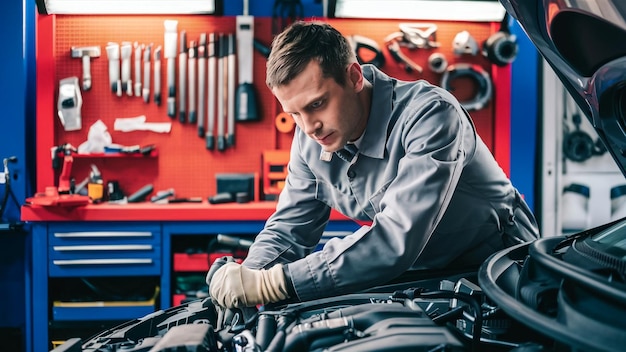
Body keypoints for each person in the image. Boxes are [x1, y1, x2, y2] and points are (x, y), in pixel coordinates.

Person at [208, 20, 539, 309]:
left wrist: (273, 283)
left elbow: (396, 237)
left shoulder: (431, 116)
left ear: (353, 76)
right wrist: (246, 280)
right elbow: (289, 230)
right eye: (295, 114)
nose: (309, 127)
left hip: (495, 269)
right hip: (411, 275)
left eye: (317, 104)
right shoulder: (311, 138)